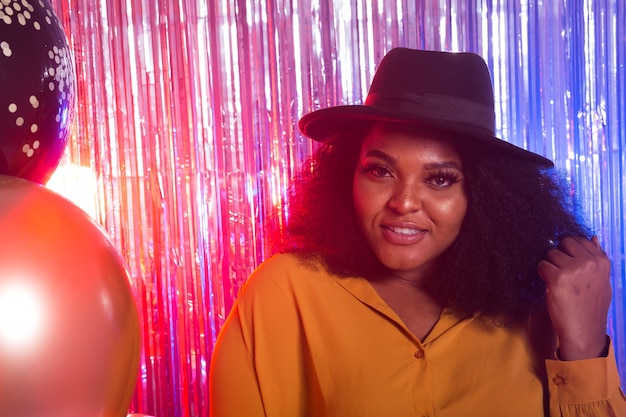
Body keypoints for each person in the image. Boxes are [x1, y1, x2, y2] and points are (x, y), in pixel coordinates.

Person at [209, 48, 626, 416]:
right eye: (380, 170)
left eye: (440, 179)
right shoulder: (282, 293)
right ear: (348, 177)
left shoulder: (537, 301)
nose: (404, 202)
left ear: (482, 195)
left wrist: (585, 345)